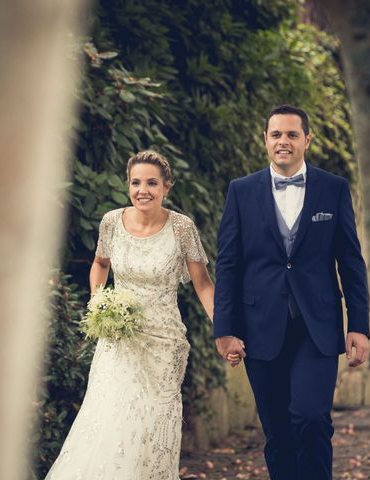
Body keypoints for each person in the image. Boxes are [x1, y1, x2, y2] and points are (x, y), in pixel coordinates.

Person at [45, 150, 231, 479]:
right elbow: (100, 264)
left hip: (164, 344)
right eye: (135, 183)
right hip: (118, 341)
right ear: (128, 186)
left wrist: (224, 330)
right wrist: (99, 302)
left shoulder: (182, 228)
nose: (142, 190)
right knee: (110, 419)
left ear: (166, 188)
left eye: (151, 183)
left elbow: (203, 285)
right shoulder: (111, 223)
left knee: (154, 429)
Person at [213, 105, 370, 480]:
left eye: (292, 135)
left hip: (316, 328)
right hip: (259, 326)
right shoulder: (241, 191)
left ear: (307, 140)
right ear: (266, 140)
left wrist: (359, 325)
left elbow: (350, 261)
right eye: (276, 135)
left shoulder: (333, 189)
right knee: (278, 431)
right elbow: (229, 264)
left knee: (312, 418)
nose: (283, 142)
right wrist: (225, 329)